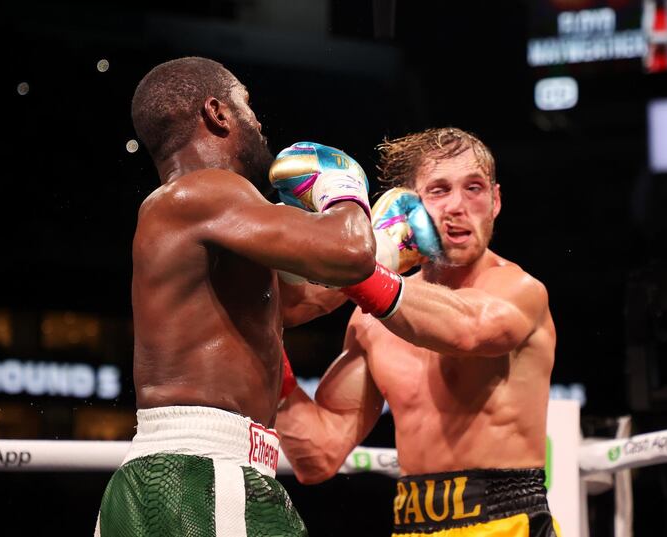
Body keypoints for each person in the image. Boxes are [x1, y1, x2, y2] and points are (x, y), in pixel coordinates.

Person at [94, 56, 392, 537]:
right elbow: (350, 250)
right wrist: (341, 186)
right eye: (247, 105)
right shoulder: (205, 191)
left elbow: (295, 303)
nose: (258, 121)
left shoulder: (193, 210)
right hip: (204, 477)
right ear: (218, 113)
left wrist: (391, 253)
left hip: (182, 474)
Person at [276, 127, 559, 536]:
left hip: (508, 521)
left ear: (495, 201)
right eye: (439, 190)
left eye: (474, 188)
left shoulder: (519, 291)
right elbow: (316, 456)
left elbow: (466, 330)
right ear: (407, 204)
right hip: (411, 525)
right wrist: (263, 342)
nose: (458, 206)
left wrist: (355, 264)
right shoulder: (370, 323)